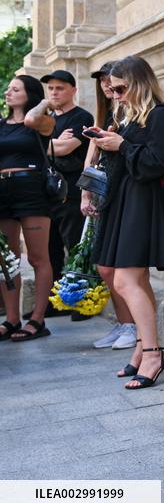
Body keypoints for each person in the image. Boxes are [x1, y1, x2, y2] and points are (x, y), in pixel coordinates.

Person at [90, 56, 164, 389]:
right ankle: (146, 350)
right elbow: (131, 157)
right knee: (135, 280)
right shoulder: (132, 116)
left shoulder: (162, 116)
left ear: (140, 83)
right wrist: (109, 142)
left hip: (143, 202)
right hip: (126, 201)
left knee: (125, 282)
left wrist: (122, 144)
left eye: (120, 88)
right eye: (111, 89)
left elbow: (155, 163)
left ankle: (154, 353)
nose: (115, 95)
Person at [81, 62, 137, 351]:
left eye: (110, 81)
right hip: (105, 190)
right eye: (103, 81)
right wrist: (85, 194)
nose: (106, 86)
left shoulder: (132, 111)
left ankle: (132, 326)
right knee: (106, 267)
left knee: (124, 269)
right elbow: (93, 156)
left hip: (124, 193)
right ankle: (124, 324)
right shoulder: (107, 113)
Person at [0, 75, 56, 341]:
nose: (8, 92)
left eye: (15, 89)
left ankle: (37, 319)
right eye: (8, 88)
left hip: (31, 189)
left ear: (30, 94)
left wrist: (44, 101)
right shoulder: (1, 125)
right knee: (7, 260)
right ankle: (12, 319)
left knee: (36, 257)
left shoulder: (40, 121)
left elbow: (32, 119)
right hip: (2, 191)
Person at [40, 69, 94, 323]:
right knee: (50, 250)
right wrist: (52, 143)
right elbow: (52, 147)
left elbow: (66, 147)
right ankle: (54, 303)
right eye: (50, 88)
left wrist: (44, 143)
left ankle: (81, 303)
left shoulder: (82, 116)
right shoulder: (46, 118)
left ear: (74, 90)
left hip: (70, 192)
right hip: (47, 194)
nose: (54, 92)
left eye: (59, 88)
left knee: (74, 246)